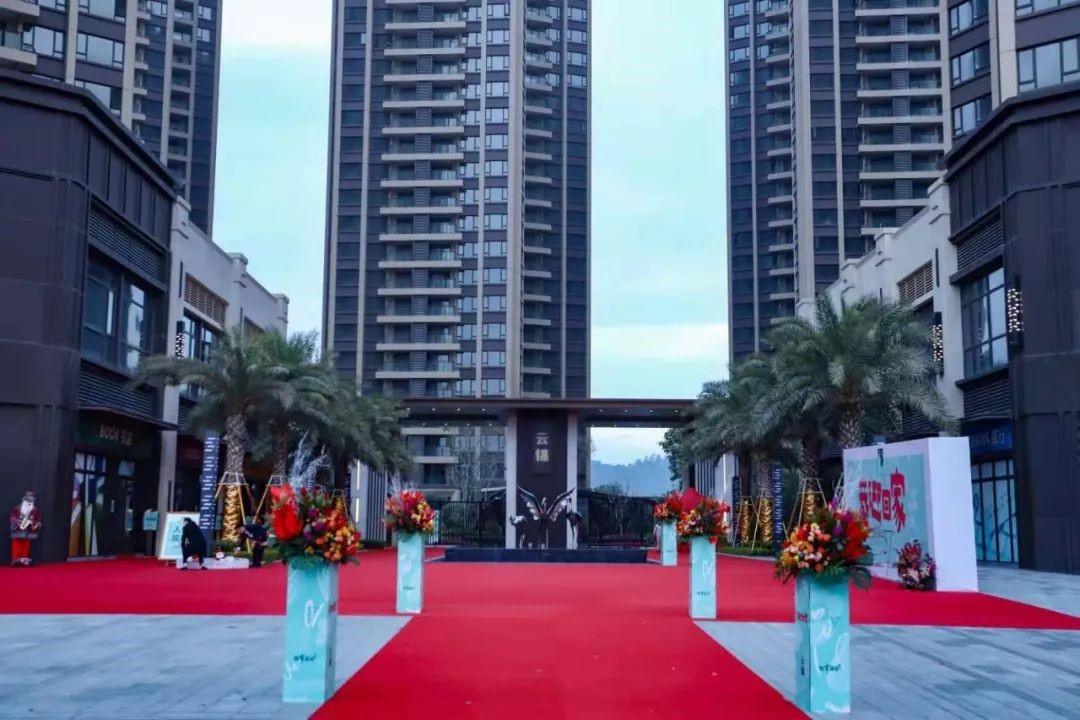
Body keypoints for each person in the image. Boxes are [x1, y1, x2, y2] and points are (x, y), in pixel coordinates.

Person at [9, 490, 42, 567]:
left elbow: (38, 519)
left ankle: (24, 560)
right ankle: (16, 560)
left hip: (28, 530)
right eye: (28, 499)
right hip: (17, 529)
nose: (29, 500)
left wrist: (35, 524)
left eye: (31, 498)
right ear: (24, 499)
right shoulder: (17, 508)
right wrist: (16, 521)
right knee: (16, 544)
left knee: (26, 545)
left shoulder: (35, 510)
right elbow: (12, 516)